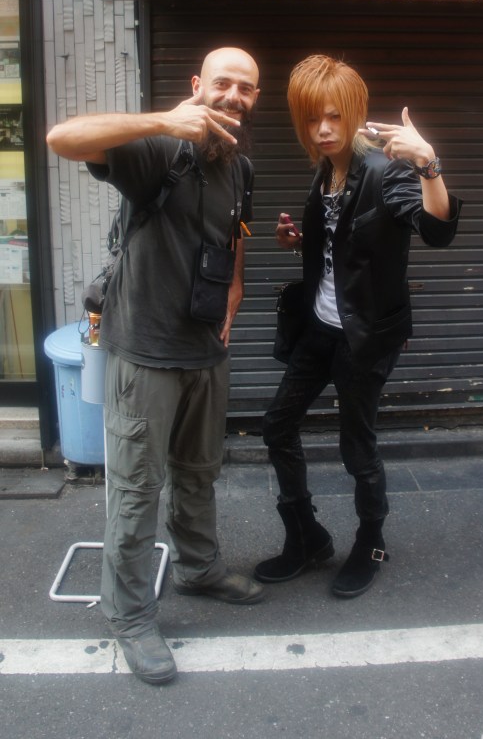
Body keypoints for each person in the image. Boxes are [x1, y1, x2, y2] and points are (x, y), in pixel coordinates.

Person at [46, 47, 263, 685]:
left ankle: (200, 569)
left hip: (205, 349)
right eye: (223, 82)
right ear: (198, 84)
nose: (234, 96)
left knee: (199, 472)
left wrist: (236, 287)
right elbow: (62, 138)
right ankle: (130, 615)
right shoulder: (157, 150)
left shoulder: (240, 165)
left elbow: (236, 230)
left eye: (247, 88)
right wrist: (164, 121)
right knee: (138, 489)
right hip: (144, 351)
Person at [254, 55, 461, 600]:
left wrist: (429, 164)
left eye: (333, 117)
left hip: (364, 334)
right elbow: (347, 244)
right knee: (277, 425)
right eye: (311, 119)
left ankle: (371, 542)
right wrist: (301, 241)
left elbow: (436, 230)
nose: (323, 129)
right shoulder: (327, 169)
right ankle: (306, 535)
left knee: (356, 445)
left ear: (353, 112)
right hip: (320, 327)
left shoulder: (385, 169)